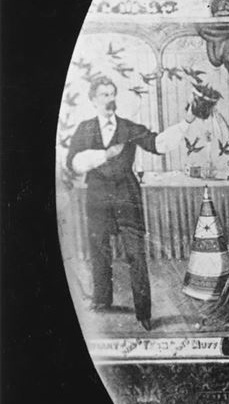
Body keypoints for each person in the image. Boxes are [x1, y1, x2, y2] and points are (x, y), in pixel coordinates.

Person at [67, 75, 199, 330]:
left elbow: (158, 144)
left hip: (127, 197)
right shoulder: (84, 129)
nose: (110, 99)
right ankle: (102, 301)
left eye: (112, 93)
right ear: (93, 100)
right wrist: (104, 155)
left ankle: (144, 313)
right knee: (99, 253)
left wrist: (187, 121)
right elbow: (72, 162)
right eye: (104, 94)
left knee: (136, 255)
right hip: (97, 199)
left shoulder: (128, 127)